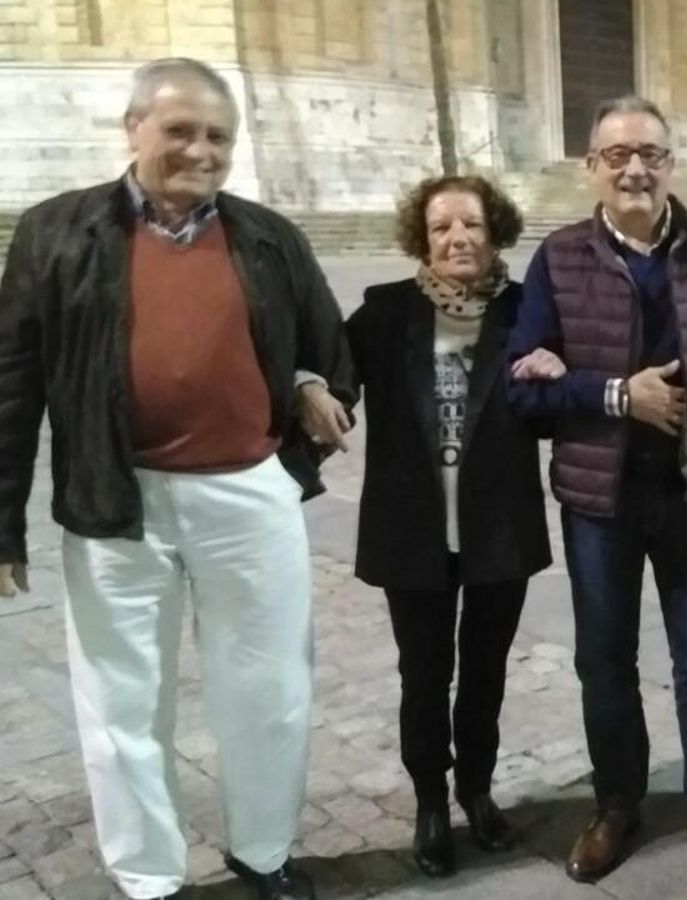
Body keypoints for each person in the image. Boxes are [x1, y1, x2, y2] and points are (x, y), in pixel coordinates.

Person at [0, 58, 354, 900]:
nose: (201, 150)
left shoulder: (269, 236)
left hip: (248, 494)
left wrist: (311, 384)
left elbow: (329, 346)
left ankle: (263, 853)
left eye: (218, 137)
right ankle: (148, 878)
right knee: (121, 706)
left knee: (268, 690)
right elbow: (10, 384)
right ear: (133, 130)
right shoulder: (55, 232)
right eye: (180, 131)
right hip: (115, 501)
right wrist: (1, 525)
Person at [503, 95, 687, 885]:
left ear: (672, 162)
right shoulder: (558, 258)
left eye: (651, 153)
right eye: (617, 154)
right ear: (591, 167)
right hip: (601, 501)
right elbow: (523, 389)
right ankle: (617, 804)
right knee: (605, 661)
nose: (635, 167)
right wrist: (615, 395)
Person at [344, 176, 552, 878]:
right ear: (422, 240)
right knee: (423, 675)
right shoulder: (384, 314)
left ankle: (478, 791)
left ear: (494, 232)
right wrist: (314, 396)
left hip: (500, 526)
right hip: (412, 531)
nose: (457, 238)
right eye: (441, 228)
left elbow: (552, 404)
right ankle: (431, 803)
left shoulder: (526, 310)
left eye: (471, 224)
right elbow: (330, 374)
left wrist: (558, 366)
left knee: (486, 672)